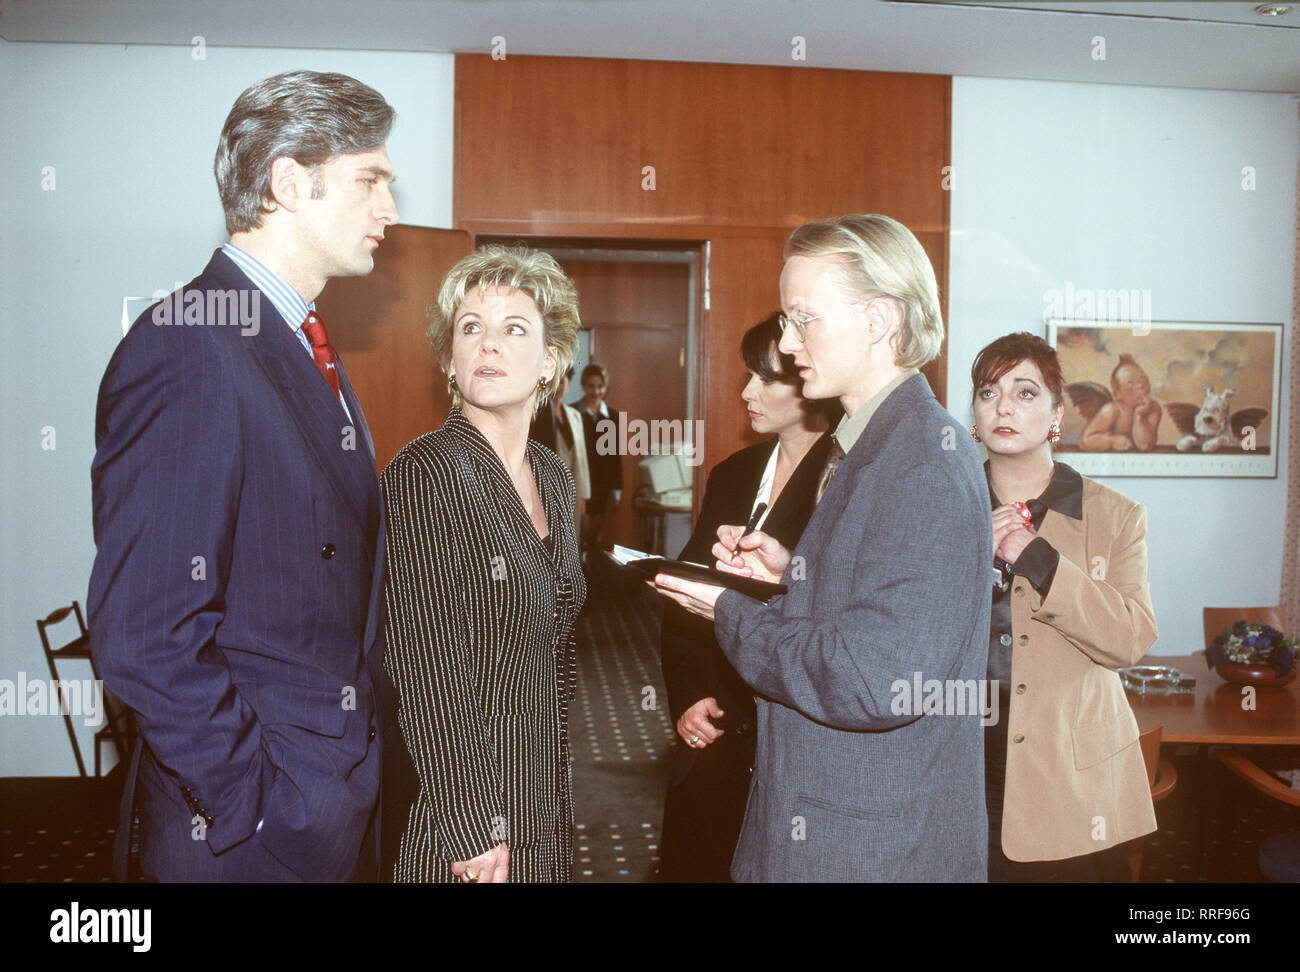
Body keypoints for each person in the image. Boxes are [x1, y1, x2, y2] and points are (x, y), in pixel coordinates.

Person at [87, 71, 400, 881]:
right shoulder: (189, 344)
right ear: (289, 181)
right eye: (371, 181)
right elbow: (146, 632)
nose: (388, 212)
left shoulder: (294, 340)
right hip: (249, 833)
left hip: (321, 799)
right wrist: (257, 800)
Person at [651, 214, 991, 882]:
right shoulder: (872, 443)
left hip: (870, 848)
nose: (785, 341)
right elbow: (869, 602)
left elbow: (874, 680)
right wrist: (792, 574)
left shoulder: (924, 462)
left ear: (879, 319)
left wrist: (728, 609)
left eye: (803, 318)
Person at [382, 245, 587, 883]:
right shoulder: (427, 473)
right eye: (470, 329)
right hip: (461, 816)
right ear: (449, 360)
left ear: (551, 361)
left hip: (542, 796)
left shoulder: (552, 476)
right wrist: (472, 829)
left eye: (513, 329)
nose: (488, 346)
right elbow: (426, 665)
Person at [970, 332, 1157, 881]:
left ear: (1056, 414)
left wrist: (1039, 560)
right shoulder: (939, 507)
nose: (1003, 406)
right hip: (958, 770)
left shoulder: (1116, 515)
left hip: (1069, 783)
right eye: (988, 392)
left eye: (1025, 393)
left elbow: (1129, 639)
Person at [658, 313, 837, 882]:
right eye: (747, 376)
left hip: (790, 728)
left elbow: (837, 616)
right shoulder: (734, 473)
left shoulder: (847, 481)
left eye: (766, 379)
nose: (746, 392)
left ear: (809, 384)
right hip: (714, 720)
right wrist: (686, 694)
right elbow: (686, 596)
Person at [531, 365, 590, 537]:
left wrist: (583, 495)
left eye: (566, 379)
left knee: (571, 537)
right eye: (559, 378)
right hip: (549, 483)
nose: (562, 384)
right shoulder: (538, 413)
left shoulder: (574, 415)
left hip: (572, 484)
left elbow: (582, 459)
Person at [573, 363, 623, 552]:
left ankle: (591, 577)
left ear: (605, 387)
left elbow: (615, 454)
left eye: (600, 386)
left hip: (603, 482)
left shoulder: (613, 416)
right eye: (591, 386)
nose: (596, 391)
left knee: (594, 536)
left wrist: (618, 488)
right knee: (580, 535)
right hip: (579, 480)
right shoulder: (573, 412)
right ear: (584, 386)